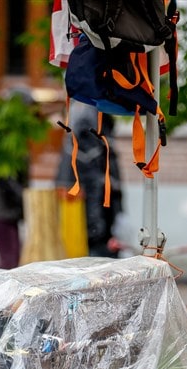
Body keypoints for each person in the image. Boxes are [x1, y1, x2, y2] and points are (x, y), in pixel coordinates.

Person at [55, 100, 124, 257]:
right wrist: (96, 227)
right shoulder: (87, 131)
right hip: (93, 214)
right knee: (95, 257)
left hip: (101, 208)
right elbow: (92, 182)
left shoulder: (89, 111)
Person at [0, 169, 26, 270]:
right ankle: (1, 280)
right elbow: (15, 187)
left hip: (4, 213)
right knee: (9, 255)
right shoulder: (7, 166)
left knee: (12, 254)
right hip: (1, 213)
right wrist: (28, 195)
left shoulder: (9, 164)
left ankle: (5, 275)